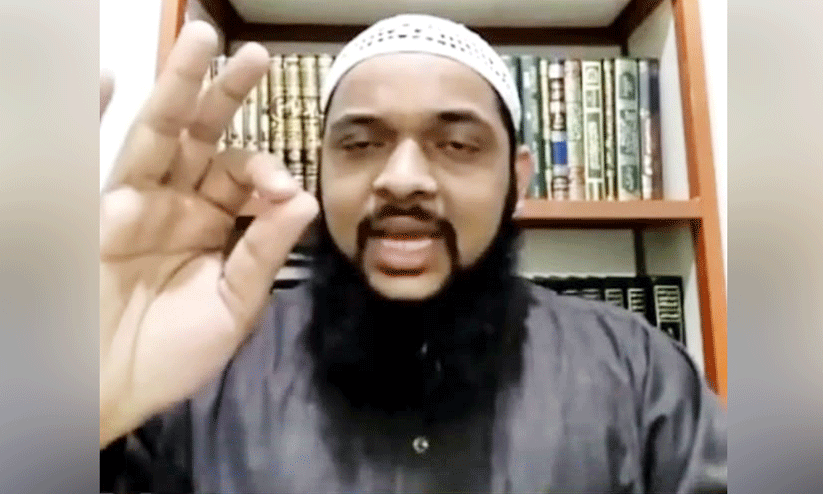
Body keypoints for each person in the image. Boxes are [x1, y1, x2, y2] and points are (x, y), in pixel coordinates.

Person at [99, 14, 726, 493]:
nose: (402, 179)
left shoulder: (639, 373)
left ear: (518, 180)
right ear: (320, 171)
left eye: (457, 145)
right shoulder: (200, 372)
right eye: (360, 144)